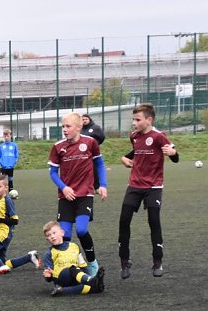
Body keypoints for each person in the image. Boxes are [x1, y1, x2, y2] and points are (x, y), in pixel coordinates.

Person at [118, 102, 179, 279]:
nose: (134, 123)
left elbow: (175, 156)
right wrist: (124, 158)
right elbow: (136, 151)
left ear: (149, 120)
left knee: (153, 221)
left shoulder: (159, 137)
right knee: (124, 221)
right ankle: (124, 261)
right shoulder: (134, 136)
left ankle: (157, 261)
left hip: (153, 186)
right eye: (133, 119)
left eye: (138, 120)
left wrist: (173, 153)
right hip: (134, 185)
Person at [47, 112, 107, 277]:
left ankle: (92, 263)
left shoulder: (90, 142)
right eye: (63, 126)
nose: (65, 129)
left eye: (68, 126)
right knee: (64, 236)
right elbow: (53, 173)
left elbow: (99, 164)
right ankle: (66, 268)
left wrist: (102, 185)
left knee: (81, 230)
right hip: (65, 196)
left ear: (79, 127)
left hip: (85, 194)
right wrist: (64, 188)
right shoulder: (58, 147)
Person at [0, 175, 40, 275]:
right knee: (2, 262)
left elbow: (15, 220)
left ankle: (2, 266)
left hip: (4, 233)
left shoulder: (7, 200)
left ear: (6, 188)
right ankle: (30, 257)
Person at [41, 220, 104, 296]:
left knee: (92, 287)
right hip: (60, 279)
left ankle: (62, 291)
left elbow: (82, 266)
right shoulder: (49, 253)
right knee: (72, 268)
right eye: (48, 235)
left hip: (76, 277)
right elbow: (48, 277)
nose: (52, 236)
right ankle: (91, 281)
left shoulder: (74, 246)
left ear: (62, 233)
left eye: (54, 233)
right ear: (47, 239)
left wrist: (86, 275)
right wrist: (48, 276)